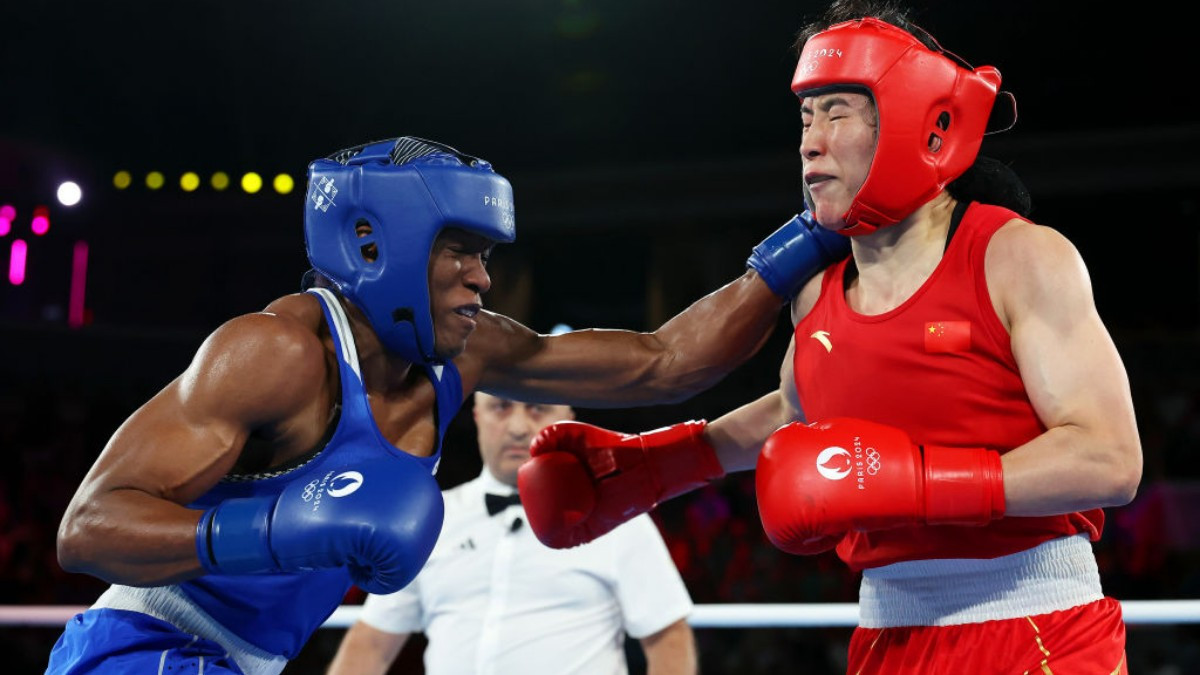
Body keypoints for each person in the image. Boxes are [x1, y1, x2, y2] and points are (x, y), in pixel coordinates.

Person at [47, 136, 848, 674]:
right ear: (373, 244)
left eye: (485, 254)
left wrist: (809, 238)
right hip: (144, 642)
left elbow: (664, 362)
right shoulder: (275, 352)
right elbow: (86, 530)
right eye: (459, 249)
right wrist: (275, 529)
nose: (482, 277)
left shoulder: (468, 352)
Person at [517, 2, 1142, 673]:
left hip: (1036, 624)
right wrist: (655, 465)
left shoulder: (1018, 257)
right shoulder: (817, 290)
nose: (809, 142)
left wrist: (922, 483)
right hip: (886, 635)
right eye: (806, 116)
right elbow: (796, 411)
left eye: (837, 111)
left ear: (914, 120)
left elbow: (1109, 457)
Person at [327, 392, 696, 675]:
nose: (519, 426)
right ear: (476, 416)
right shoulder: (427, 517)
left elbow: (668, 638)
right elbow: (373, 642)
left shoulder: (618, 516)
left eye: (538, 409)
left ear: (567, 419)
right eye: (501, 407)